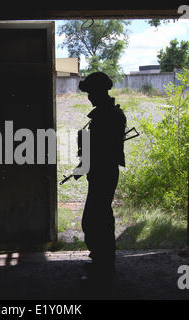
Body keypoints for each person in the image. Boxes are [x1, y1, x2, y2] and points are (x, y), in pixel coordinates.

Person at [76, 72, 126, 282]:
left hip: (102, 173)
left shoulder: (107, 116)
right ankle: (101, 262)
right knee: (97, 219)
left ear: (98, 92)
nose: (88, 97)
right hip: (101, 172)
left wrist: (82, 164)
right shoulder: (108, 114)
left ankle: (103, 268)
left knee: (97, 220)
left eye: (90, 93)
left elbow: (100, 150)